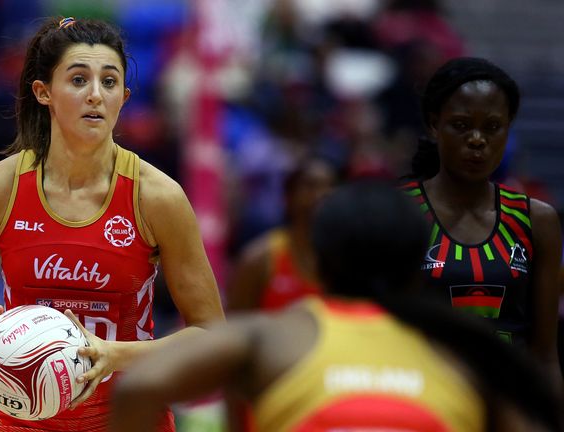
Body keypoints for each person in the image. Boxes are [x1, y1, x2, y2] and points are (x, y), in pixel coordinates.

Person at [0, 17, 224, 432]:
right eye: (78, 80)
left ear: (124, 97)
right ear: (44, 92)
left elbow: (210, 334)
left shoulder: (157, 196)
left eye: (109, 82)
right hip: (20, 422)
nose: (95, 95)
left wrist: (115, 355)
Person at [110, 183, 564, 432]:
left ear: (320, 265)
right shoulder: (468, 352)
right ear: (415, 269)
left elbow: (139, 388)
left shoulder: (276, 335)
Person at [400, 57, 563, 381]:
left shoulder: (537, 221)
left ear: (508, 128)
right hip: (426, 401)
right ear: (434, 125)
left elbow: (545, 356)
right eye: (461, 125)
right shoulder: (398, 210)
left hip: (509, 404)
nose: (477, 139)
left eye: (492, 127)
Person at [226, 156, 337, 312]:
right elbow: (233, 329)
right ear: (287, 197)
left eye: (330, 186)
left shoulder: (344, 260)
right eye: (311, 185)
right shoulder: (259, 259)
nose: (322, 194)